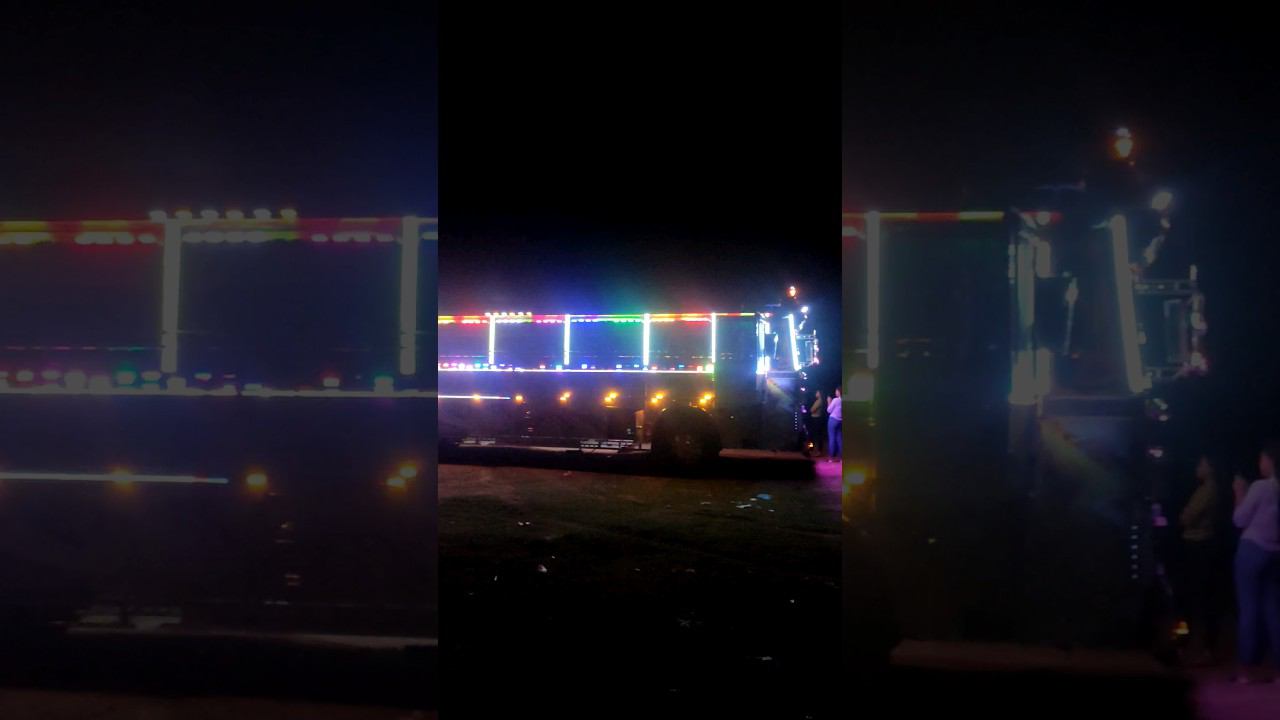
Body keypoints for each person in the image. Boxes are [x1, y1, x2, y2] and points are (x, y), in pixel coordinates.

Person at [1231, 442, 1280, 683]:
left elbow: (1239, 520)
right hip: (1275, 552)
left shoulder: (1261, 487)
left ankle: (1246, 671)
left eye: (1262, 459)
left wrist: (1239, 493)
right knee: (1273, 611)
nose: (1260, 463)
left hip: (1252, 549)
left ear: (1271, 461)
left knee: (1248, 610)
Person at [1179, 455, 1220, 664]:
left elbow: (1187, 517)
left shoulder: (1207, 490)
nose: (1197, 468)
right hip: (1199, 545)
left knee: (1197, 598)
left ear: (1210, 468)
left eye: (1201, 464)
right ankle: (1200, 647)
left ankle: (1198, 648)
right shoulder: (1205, 489)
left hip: (1198, 546)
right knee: (1199, 598)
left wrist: (1184, 515)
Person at [809, 390, 827, 456]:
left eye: (817, 392)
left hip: (816, 419)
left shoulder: (819, 401)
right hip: (818, 419)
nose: (815, 393)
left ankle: (812, 450)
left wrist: (810, 409)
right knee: (818, 436)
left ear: (819, 394)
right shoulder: (821, 400)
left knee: (812, 436)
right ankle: (818, 450)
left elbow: (812, 410)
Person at [826, 388, 842, 463]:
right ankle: (841, 458)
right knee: (839, 439)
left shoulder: (836, 400)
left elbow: (829, 410)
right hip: (840, 421)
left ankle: (831, 458)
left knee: (832, 438)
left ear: (839, 392)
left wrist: (829, 402)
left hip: (833, 420)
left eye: (836, 391)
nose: (835, 392)